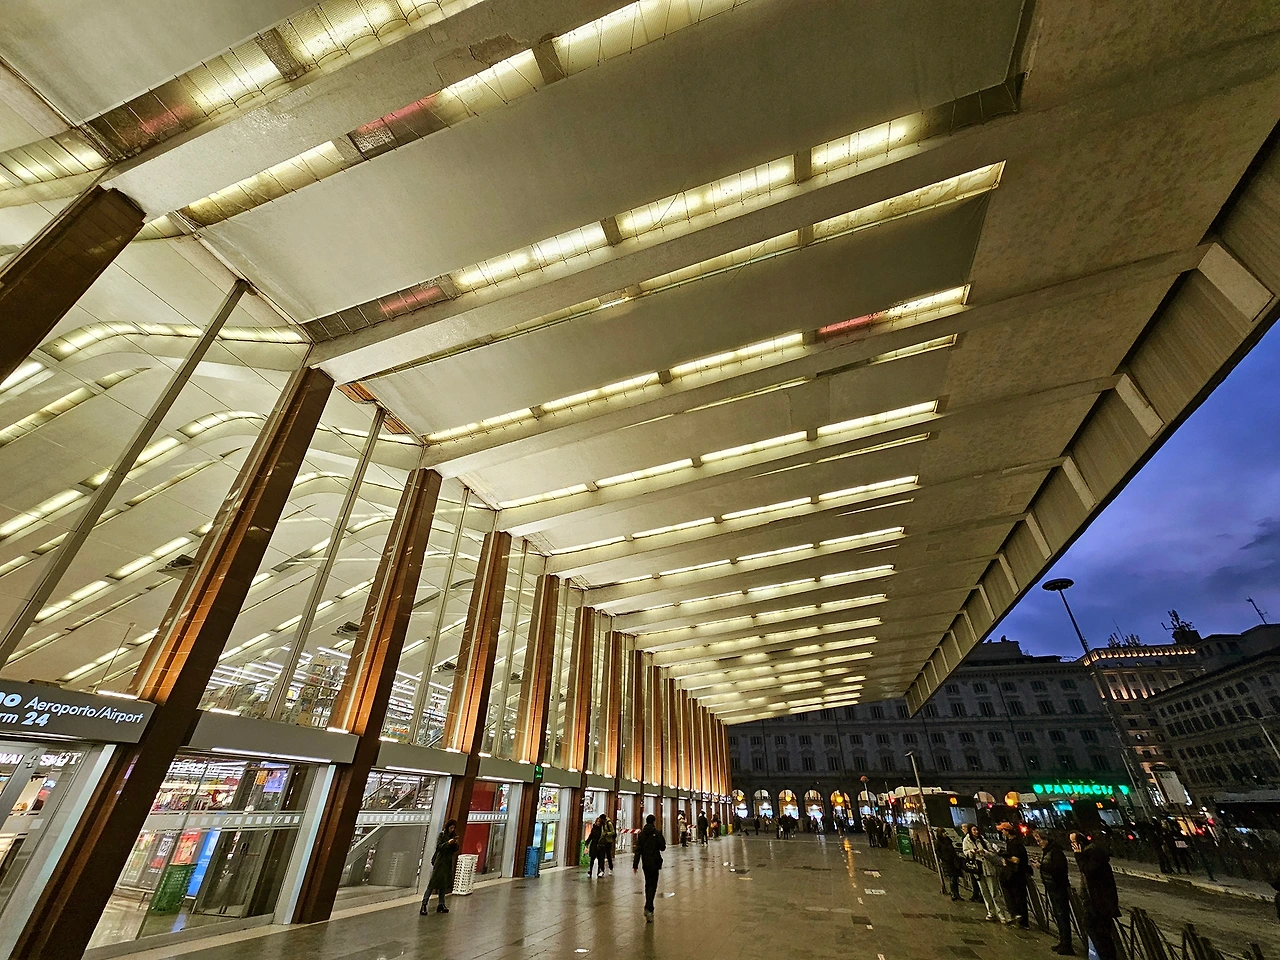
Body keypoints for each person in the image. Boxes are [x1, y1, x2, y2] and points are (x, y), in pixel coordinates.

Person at [1072, 832, 1121, 960]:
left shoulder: (1094, 856)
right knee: (1098, 933)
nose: (1073, 847)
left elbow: (1088, 870)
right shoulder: (1089, 855)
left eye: (1074, 844)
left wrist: (1078, 856)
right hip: (1095, 903)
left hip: (1100, 904)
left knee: (1101, 936)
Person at [1036, 829, 1074, 955]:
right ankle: (1062, 942)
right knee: (1058, 915)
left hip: (1058, 888)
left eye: (1039, 840)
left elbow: (1058, 869)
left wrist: (1041, 866)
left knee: (1062, 916)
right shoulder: (1048, 851)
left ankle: (1067, 944)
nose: (1038, 843)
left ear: (1046, 839)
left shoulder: (1056, 852)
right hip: (1052, 887)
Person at [963, 824, 1011, 922]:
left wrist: (984, 852)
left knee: (994, 892)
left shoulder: (983, 840)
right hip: (978, 870)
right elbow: (965, 853)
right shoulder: (966, 841)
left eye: (977, 830)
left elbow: (992, 854)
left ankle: (1001, 913)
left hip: (988, 869)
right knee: (985, 893)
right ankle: (991, 912)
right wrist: (971, 852)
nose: (976, 832)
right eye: (974, 830)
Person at [421, 819, 459, 915]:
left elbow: (455, 850)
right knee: (432, 883)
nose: (452, 829)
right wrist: (448, 843)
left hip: (447, 862)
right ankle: (424, 904)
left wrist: (455, 844)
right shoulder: (442, 835)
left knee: (443, 884)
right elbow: (439, 847)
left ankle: (441, 904)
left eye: (453, 828)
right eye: (451, 828)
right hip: (440, 862)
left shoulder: (453, 836)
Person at [633, 813, 667, 922]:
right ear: (654, 822)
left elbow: (638, 850)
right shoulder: (657, 833)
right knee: (653, 885)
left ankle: (649, 906)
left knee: (648, 884)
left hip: (645, 863)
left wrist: (635, 865)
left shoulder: (642, 834)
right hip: (655, 862)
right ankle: (649, 907)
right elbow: (663, 847)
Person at [997, 822, 1030, 928]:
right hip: (1014, 874)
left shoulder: (1015, 843)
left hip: (1017, 875)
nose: (1002, 832)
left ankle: (1022, 921)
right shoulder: (1010, 842)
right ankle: (1017, 917)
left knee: (1019, 897)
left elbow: (1016, 860)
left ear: (1007, 831)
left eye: (1003, 830)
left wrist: (1005, 856)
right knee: (1014, 896)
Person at [934, 828, 962, 901]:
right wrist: (944, 858)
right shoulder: (938, 842)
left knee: (955, 877)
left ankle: (957, 893)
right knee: (952, 877)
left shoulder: (948, 840)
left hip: (954, 861)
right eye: (943, 833)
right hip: (947, 862)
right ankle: (953, 893)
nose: (945, 834)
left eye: (945, 832)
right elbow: (938, 852)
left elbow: (952, 849)